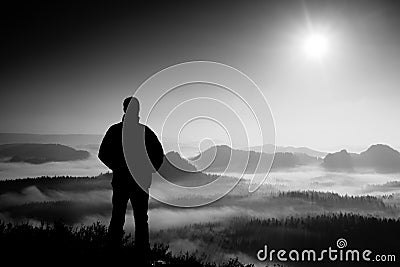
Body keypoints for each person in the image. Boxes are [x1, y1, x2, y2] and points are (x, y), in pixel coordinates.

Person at [98, 97, 164, 263]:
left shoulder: (115, 130)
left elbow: (102, 154)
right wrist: (147, 171)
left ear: (124, 109)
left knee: (120, 216)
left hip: (122, 181)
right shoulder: (144, 132)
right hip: (138, 182)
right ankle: (141, 256)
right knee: (140, 219)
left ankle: (113, 253)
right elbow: (158, 156)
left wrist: (117, 167)